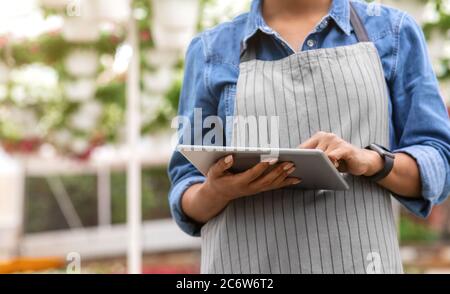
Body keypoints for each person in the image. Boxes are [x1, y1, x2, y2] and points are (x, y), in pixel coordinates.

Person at [168, 0, 450, 274]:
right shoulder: (209, 51)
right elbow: (186, 185)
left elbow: (438, 162)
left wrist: (372, 161)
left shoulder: (393, 32)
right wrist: (216, 191)